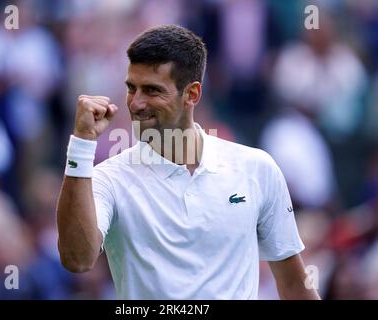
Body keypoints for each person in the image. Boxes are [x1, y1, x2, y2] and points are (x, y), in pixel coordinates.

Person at [56, 25, 320, 300]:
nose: (135, 103)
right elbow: (77, 259)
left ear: (192, 95)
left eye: (152, 90)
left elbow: (293, 284)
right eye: (131, 88)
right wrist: (82, 145)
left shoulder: (257, 168)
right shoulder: (107, 178)